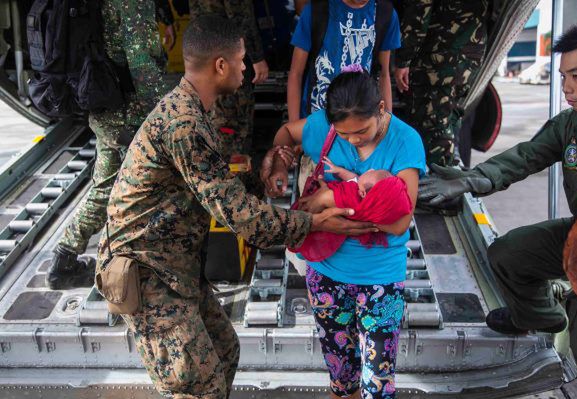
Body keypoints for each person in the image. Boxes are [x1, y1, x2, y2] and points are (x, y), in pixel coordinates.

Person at [96, 17, 377, 398]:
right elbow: (243, 219)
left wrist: (260, 173)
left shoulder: (193, 111)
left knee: (225, 352)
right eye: (242, 60)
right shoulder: (183, 123)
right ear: (221, 65)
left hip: (173, 264)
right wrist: (313, 223)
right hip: (147, 273)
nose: (247, 67)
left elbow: (214, 183)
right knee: (198, 385)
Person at [418, 19, 577, 398]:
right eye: (564, 75)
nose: (565, 86)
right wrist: (470, 179)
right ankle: (541, 316)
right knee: (509, 254)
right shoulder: (574, 124)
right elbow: (526, 157)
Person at [263, 70, 426, 399]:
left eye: (362, 130)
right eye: (344, 134)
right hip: (325, 275)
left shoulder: (405, 141)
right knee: (341, 379)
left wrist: (330, 200)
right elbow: (285, 133)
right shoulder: (322, 128)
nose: (354, 140)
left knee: (378, 387)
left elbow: (398, 221)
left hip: (380, 279)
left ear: (381, 108)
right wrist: (280, 165)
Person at [47, 0, 169, 290]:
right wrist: (168, 109)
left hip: (103, 101)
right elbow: (140, 59)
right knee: (146, 190)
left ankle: (64, 258)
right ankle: (134, 272)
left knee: (105, 185)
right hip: (129, 109)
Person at [393, 0, 490, 166]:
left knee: (433, 131)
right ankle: (449, 172)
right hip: (470, 52)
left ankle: (441, 182)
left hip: (440, 55)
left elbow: (420, 6)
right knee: (449, 121)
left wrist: (403, 58)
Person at [287, 0, 401, 122]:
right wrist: (293, 126)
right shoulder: (316, 10)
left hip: (362, 122)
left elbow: (383, 75)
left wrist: (388, 125)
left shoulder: (385, 13)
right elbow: (295, 73)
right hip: (317, 118)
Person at [189, 0, 269, 159]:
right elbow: (240, 17)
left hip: (204, 55)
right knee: (235, 129)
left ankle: (221, 174)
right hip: (228, 59)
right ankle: (234, 178)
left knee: (217, 124)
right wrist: (257, 58)